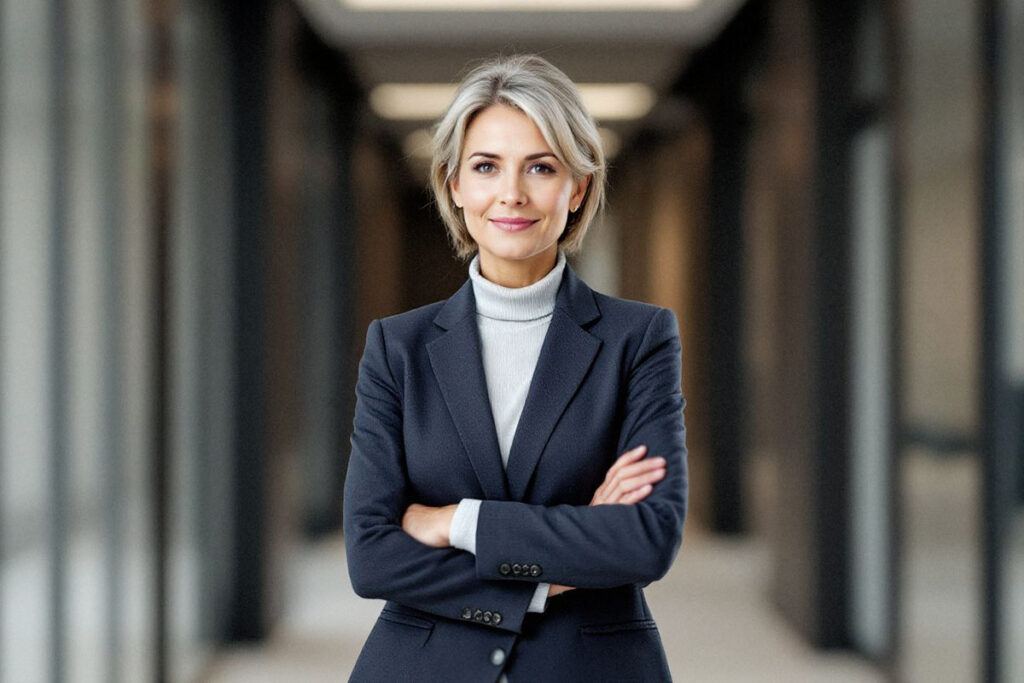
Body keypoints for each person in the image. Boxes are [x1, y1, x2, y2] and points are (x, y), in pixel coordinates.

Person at [344, 54, 687, 682]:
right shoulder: (399, 347)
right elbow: (372, 556)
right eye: (486, 167)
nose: (512, 193)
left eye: (541, 167)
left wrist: (457, 521)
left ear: (576, 187)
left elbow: (645, 538)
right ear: (453, 184)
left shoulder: (638, 339)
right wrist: (551, 572)